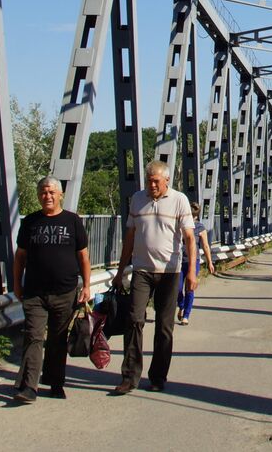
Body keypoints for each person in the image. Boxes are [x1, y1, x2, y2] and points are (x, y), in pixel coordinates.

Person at [111, 161, 196, 395]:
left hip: (170, 272)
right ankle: (129, 377)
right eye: (149, 181)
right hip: (142, 270)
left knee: (164, 327)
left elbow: (189, 238)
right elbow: (130, 236)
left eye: (156, 181)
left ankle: (158, 377)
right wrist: (120, 271)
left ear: (167, 180)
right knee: (134, 319)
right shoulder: (138, 199)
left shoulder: (179, 200)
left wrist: (191, 272)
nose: (152, 185)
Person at [12, 177, 92, 402]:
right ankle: (29, 387)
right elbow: (20, 256)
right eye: (43, 193)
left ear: (60, 195)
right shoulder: (30, 222)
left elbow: (83, 256)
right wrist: (16, 284)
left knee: (58, 339)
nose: (47, 196)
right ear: (39, 196)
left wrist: (86, 286)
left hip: (65, 291)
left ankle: (56, 383)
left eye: (51, 192)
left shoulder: (72, 221)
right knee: (33, 337)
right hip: (35, 292)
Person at [177, 203, 215, 326]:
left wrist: (209, 262)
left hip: (193, 261)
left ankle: (186, 315)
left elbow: (205, 246)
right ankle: (181, 306)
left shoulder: (200, 227)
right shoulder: (180, 225)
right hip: (179, 261)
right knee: (177, 288)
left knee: (190, 288)